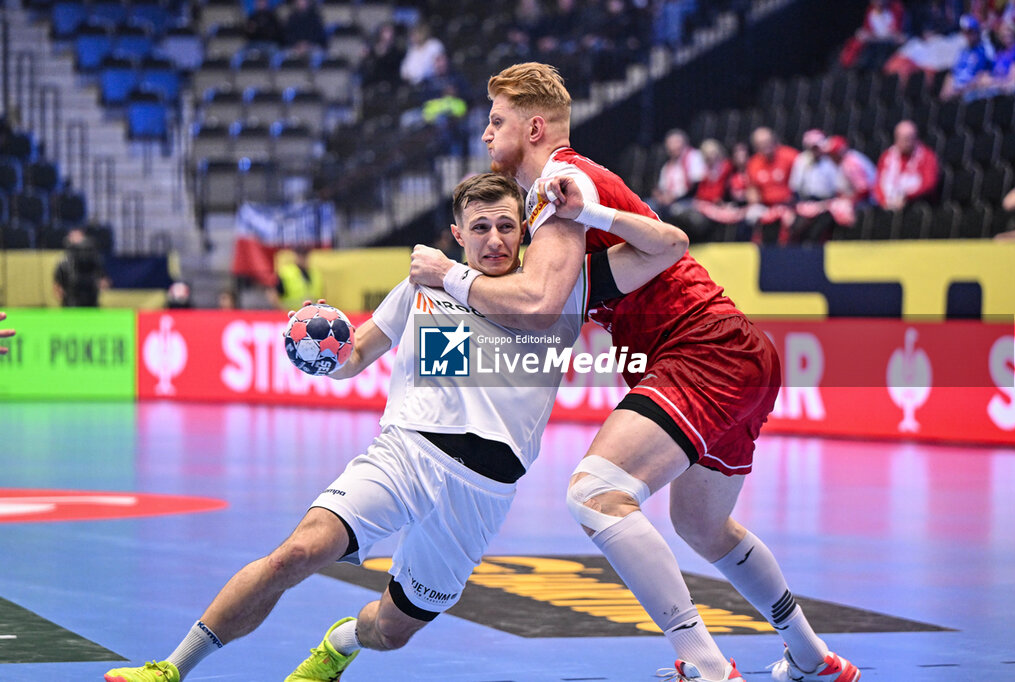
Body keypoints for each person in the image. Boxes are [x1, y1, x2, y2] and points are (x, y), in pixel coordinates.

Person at [102, 171, 688, 682]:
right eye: (479, 228)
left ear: (526, 231)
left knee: (391, 629)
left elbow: (669, 247)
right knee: (295, 554)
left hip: (482, 497)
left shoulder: (562, 292)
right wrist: (325, 357)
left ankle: (338, 646)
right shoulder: (420, 288)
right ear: (458, 236)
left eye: (506, 226)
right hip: (404, 456)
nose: (494, 239)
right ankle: (172, 667)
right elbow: (354, 355)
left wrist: (589, 212)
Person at [408, 62, 860, 682]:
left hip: (699, 349)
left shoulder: (556, 188)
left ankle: (703, 662)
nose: (486, 136)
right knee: (700, 526)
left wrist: (448, 275)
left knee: (595, 494)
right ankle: (813, 657)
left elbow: (540, 307)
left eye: (497, 122)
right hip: (734, 349)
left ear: (534, 127)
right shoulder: (569, 193)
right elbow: (652, 250)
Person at [873, 120, 940, 210]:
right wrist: (884, 202)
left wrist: (906, 197)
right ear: (896, 138)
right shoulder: (887, 157)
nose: (907, 142)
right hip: (888, 204)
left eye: (910, 138)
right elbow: (878, 184)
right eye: (904, 138)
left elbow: (929, 184)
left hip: (915, 204)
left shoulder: (927, 156)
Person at [648, 129, 707, 219]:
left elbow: (696, 185)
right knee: (647, 205)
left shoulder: (694, 156)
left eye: (675, 142)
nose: (672, 147)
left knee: (672, 211)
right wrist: (659, 195)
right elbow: (662, 188)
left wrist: (674, 197)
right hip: (668, 201)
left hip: (689, 200)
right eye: (669, 143)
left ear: (684, 143)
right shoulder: (667, 165)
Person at [940, 14, 994, 100]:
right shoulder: (962, 52)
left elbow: (984, 76)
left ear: (977, 31)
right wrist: (946, 91)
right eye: (965, 32)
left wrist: (963, 89)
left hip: (971, 93)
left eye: (970, 32)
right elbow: (952, 73)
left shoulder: (985, 50)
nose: (968, 35)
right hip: (955, 93)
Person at [53, 227, 110, 307]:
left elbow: (104, 281)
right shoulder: (64, 262)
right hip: (71, 305)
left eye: (79, 237)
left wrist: (100, 284)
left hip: (91, 304)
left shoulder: (94, 259)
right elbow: (57, 285)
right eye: (74, 237)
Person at [268, 246, 323, 311]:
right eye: (300, 255)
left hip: (311, 316)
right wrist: (283, 312)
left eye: (305, 255)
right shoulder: (286, 273)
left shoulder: (315, 274)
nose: (303, 258)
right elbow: (273, 295)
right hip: (292, 315)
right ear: (296, 256)